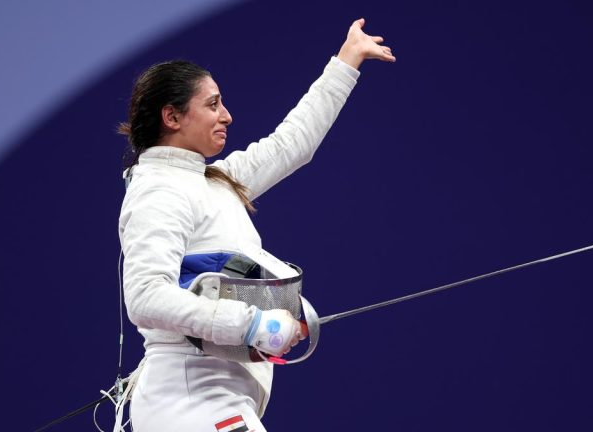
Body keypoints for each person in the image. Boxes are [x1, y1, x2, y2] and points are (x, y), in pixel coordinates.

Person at [117, 18, 395, 431]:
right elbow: (144, 296)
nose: (227, 116)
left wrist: (346, 60)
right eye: (212, 105)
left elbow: (291, 144)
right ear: (172, 116)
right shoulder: (159, 190)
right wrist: (249, 323)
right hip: (189, 400)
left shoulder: (213, 182)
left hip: (216, 399)